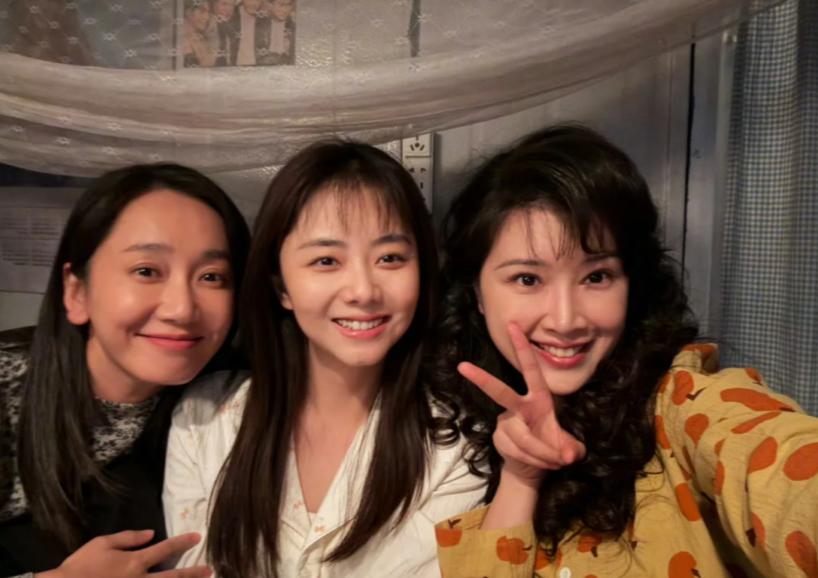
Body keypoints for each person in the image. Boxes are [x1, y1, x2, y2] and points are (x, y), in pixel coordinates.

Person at [433, 125, 818, 577]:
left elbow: (783, 467)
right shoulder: (457, 425)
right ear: (477, 293)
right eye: (528, 279)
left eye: (596, 277)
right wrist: (521, 475)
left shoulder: (683, 402)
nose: (565, 320)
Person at [163, 140, 485, 578]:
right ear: (281, 286)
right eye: (326, 260)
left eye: (390, 258)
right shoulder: (206, 420)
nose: (363, 290)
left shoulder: (457, 442)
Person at [0, 163, 251, 578]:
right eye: (146, 271)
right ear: (76, 291)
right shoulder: (7, 388)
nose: (182, 309)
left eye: (211, 277)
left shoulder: (226, 403)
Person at [183, 0, 217, 68]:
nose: (207, 17)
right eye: (202, 11)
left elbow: (208, 65)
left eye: (208, 13)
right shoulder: (175, 40)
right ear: (188, 12)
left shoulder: (202, 39)